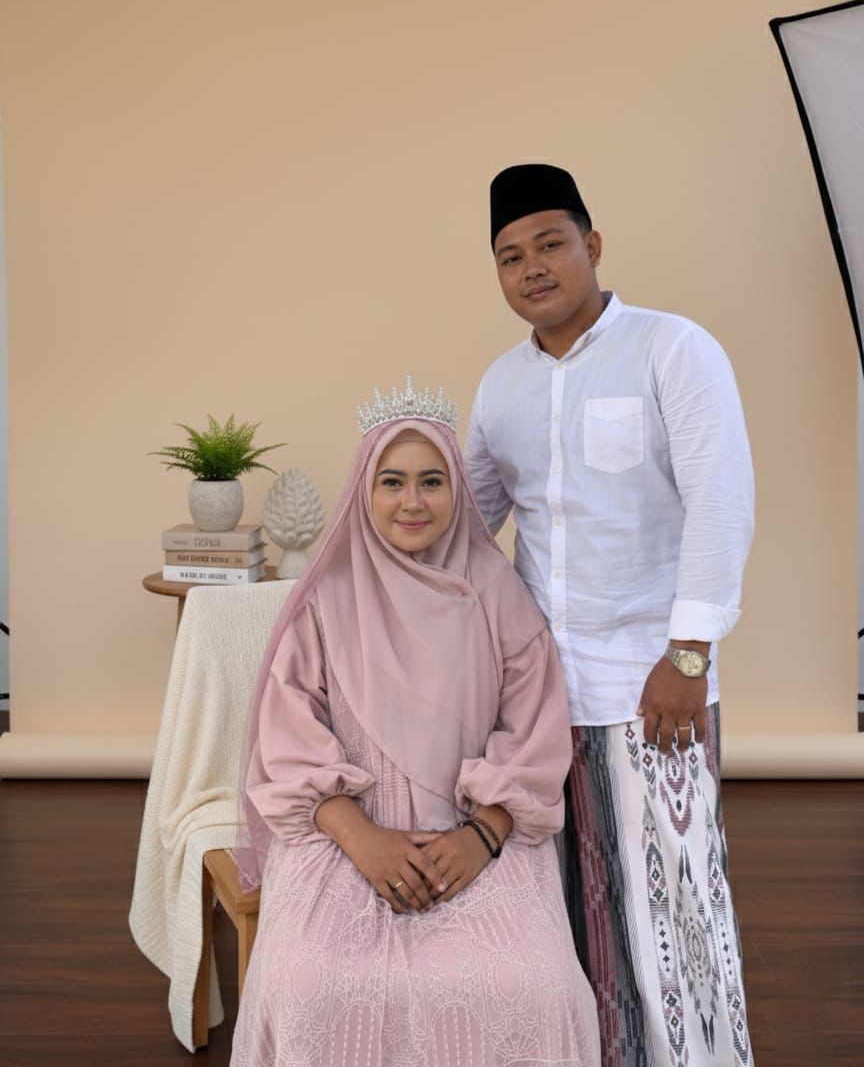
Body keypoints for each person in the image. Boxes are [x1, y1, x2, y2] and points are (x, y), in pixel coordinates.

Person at [465, 164, 755, 1067]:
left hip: (652, 683)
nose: (532, 267)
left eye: (550, 244)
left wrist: (689, 657)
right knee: (569, 910)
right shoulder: (500, 388)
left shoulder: (672, 349)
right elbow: (467, 527)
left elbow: (721, 502)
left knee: (676, 907)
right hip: (540, 696)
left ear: (591, 245)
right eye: (510, 256)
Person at [231, 380, 601, 1067]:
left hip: (482, 834)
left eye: (431, 481)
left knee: (540, 988)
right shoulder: (326, 598)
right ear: (363, 492)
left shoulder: (498, 593)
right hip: (344, 835)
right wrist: (362, 838)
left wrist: (482, 836)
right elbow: (287, 738)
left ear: (457, 490)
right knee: (309, 986)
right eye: (392, 482)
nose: (412, 501)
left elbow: (535, 731)